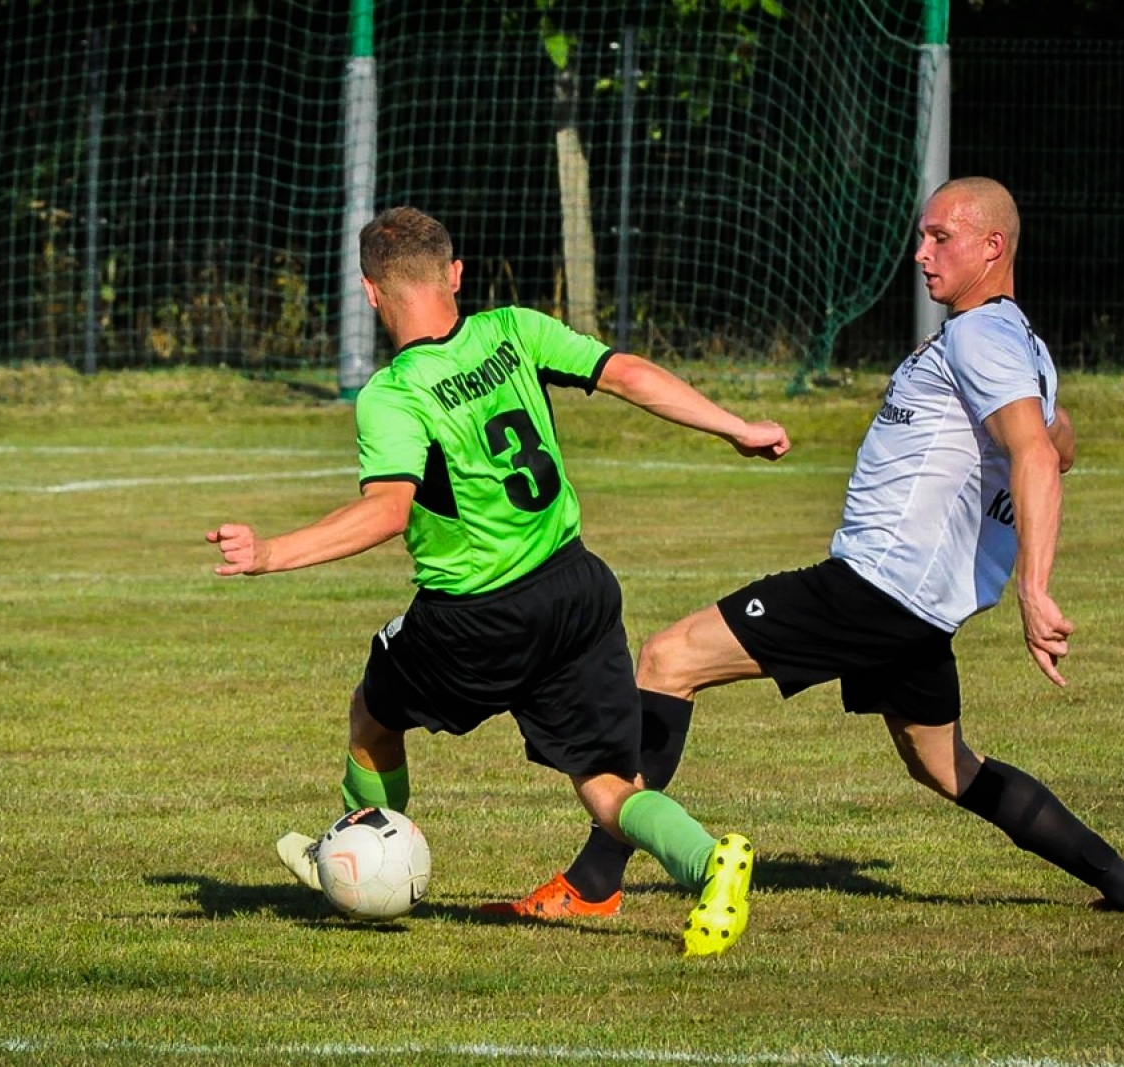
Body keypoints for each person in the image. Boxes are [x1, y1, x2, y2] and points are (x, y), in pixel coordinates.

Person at [488, 177, 1124, 921]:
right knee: (947, 767)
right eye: (921, 236)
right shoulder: (1021, 344)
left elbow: (1041, 455)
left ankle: (595, 883)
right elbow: (1060, 440)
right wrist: (1035, 442)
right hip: (916, 609)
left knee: (668, 658)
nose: (920, 253)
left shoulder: (984, 334)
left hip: (872, 588)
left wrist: (1035, 587)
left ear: (993, 247)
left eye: (940, 237)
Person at [207, 206, 792, 956]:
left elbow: (387, 511)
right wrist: (735, 426)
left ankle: (356, 849)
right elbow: (626, 373)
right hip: (577, 588)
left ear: (369, 292)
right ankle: (708, 858)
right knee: (610, 785)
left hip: (475, 618)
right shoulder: (513, 328)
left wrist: (269, 554)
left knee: (372, 713)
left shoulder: (396, 391)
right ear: (454, 274)